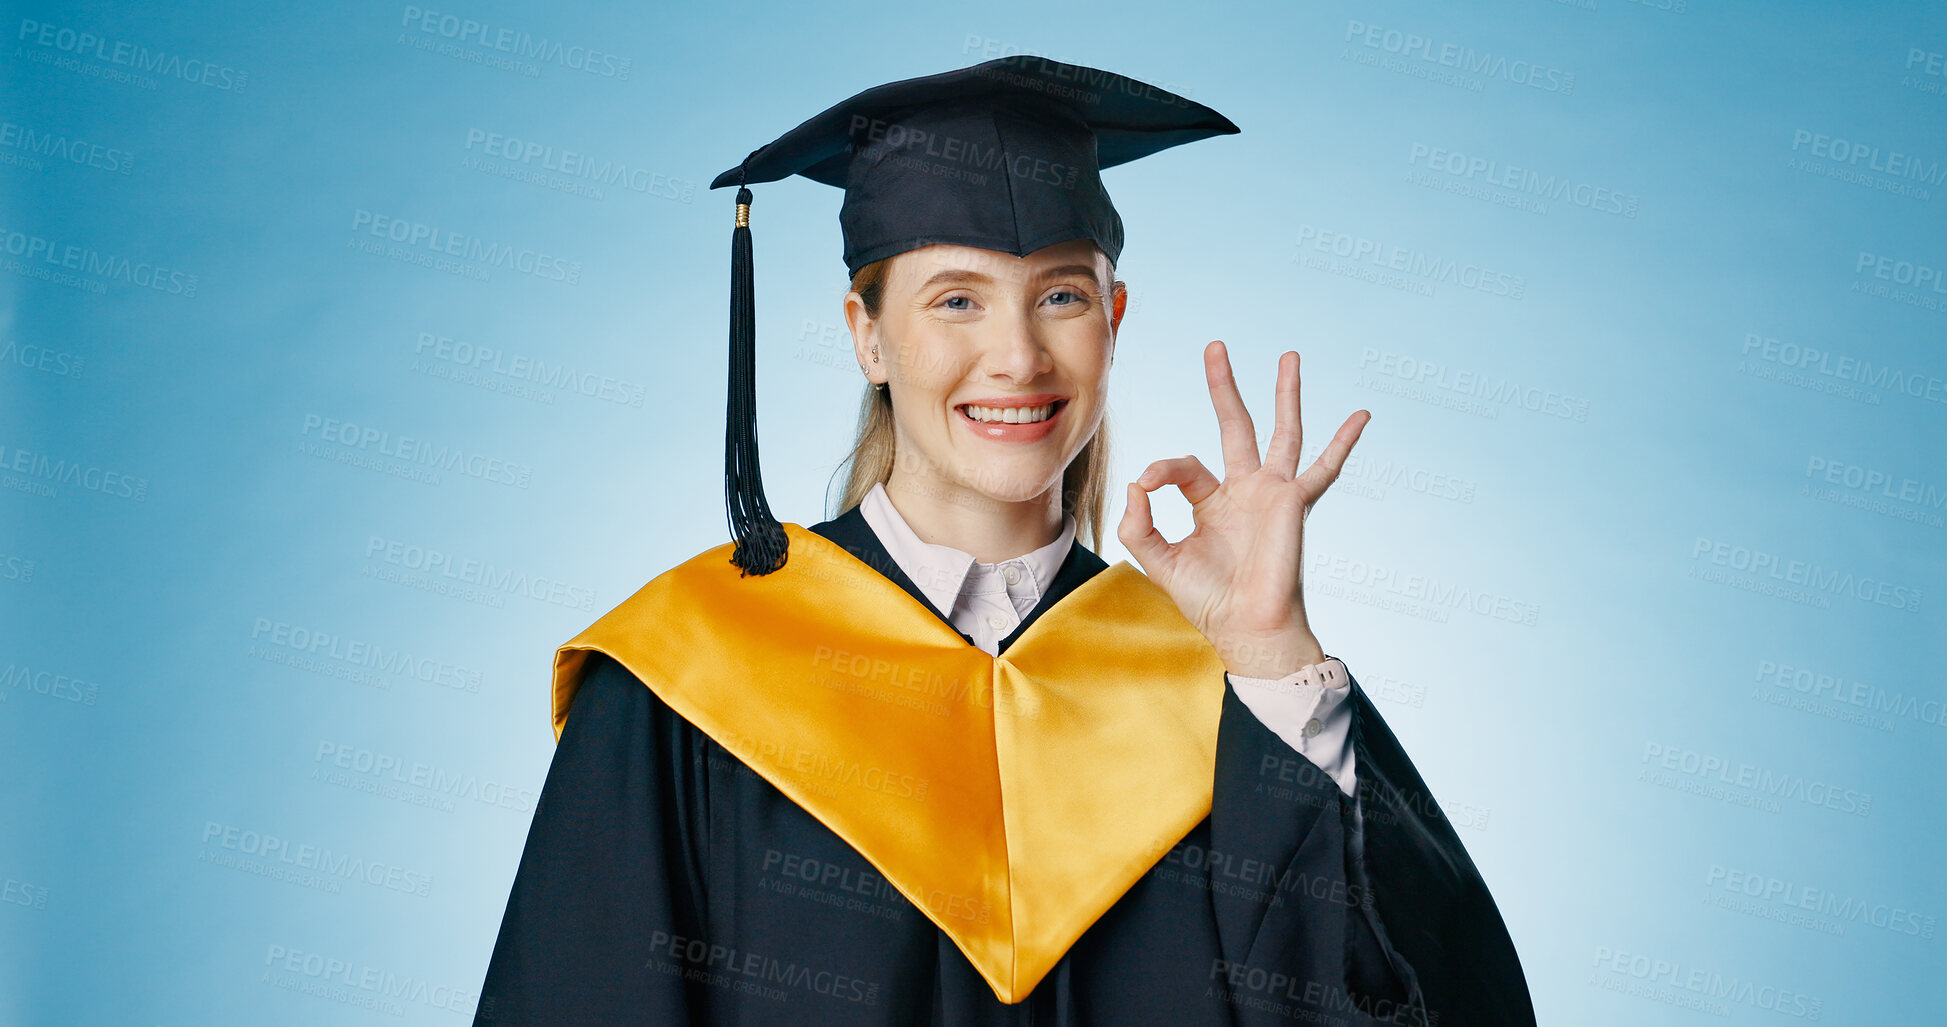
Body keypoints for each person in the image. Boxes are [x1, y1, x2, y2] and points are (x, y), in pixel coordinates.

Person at [473, 57, 1534, 1026]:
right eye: (957, 300)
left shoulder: (1225, 687)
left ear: (1113, 322)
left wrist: (1272, 654)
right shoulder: (691, 676)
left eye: (1060, 296)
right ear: (867, 335)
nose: (1017, 356)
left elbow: (1427, 1005)